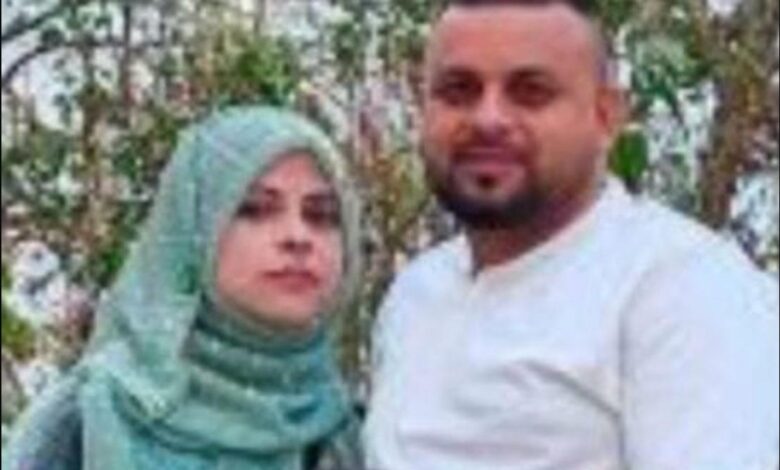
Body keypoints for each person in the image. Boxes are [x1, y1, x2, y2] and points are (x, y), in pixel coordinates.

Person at [363, 1, 779, 469]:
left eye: (530, 92)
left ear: (606, 117)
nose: (488, 119)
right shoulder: (415, 292)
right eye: (459, 91)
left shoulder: (684, 288)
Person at [3, 106, 364, 470]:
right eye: (254, 210)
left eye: (322, 215)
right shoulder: (89, 421)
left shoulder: (353, 435)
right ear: (192, 231)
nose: (298, 236)